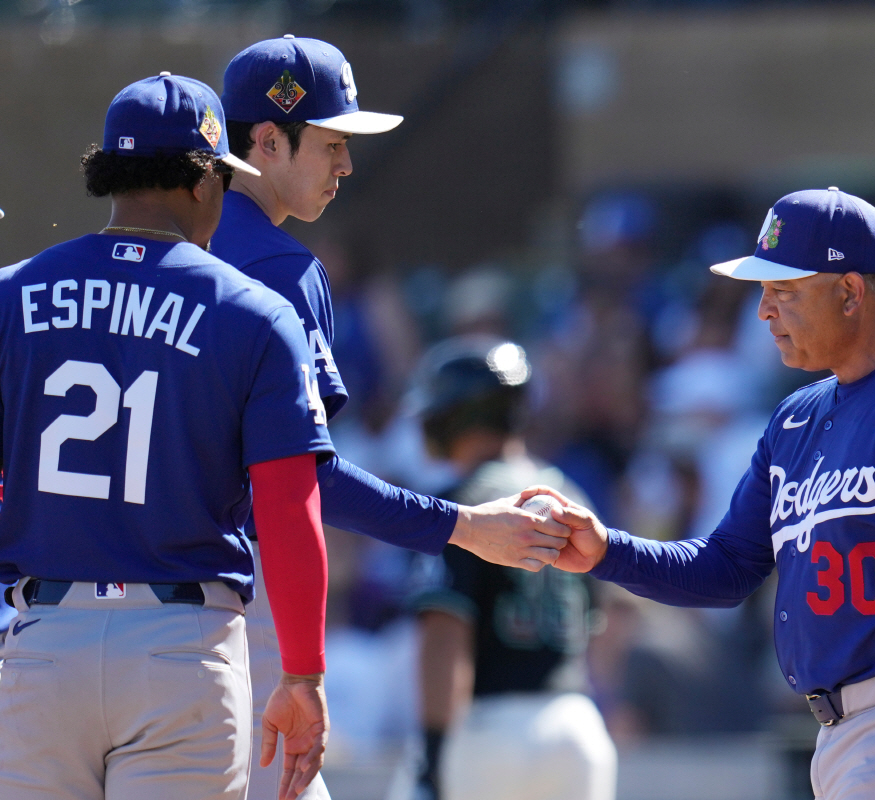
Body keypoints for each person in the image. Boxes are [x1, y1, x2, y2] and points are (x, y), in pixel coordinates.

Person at [527, 188, 875, 800]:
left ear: (850, 291)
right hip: (842, 736)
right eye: (763, 291)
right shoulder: (796, 419)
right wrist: (607, 550)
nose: (763, 310)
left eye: (785, 290)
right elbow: (727, 567)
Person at [208, 36, 568, 800]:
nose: (345, 165)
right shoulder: (280, 269)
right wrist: (464, 525)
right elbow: (305, 478)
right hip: (230, 606)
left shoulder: (139, 256)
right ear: (267, 140)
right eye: (333, 142)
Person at [0, 74, 331, 800]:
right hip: (182, 651)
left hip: (42, 642)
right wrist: (301, 673)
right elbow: (289, 505)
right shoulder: (256, 313)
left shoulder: (10, 295)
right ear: (202, 180)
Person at [405, 337, 616, 800]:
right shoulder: (572, 497)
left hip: (491, 731)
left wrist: (435, 750)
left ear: (454, 413)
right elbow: (605, 626)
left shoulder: (460, 505)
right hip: (578, 725)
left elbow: (444, 633)